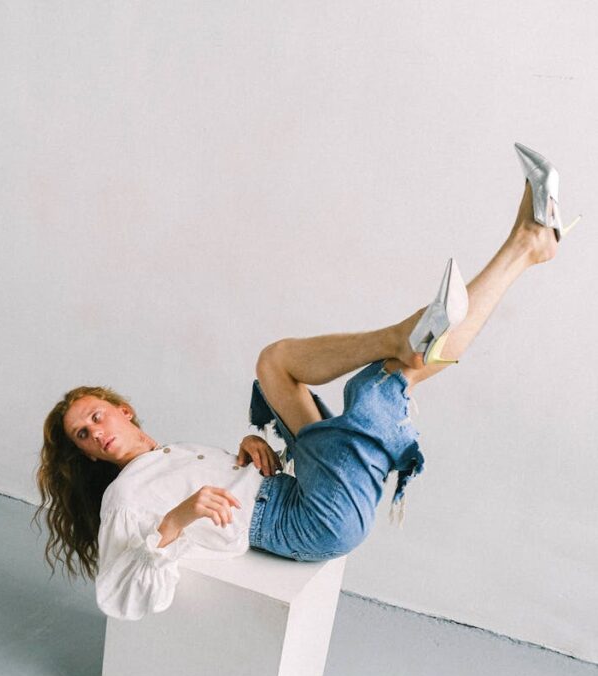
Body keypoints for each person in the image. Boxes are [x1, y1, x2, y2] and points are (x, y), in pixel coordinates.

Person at [33, 143, 580, 620]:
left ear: (123, 410)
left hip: (294, 489)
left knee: (276, 364)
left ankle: (520, 253)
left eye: (95, 416)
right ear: (89, 456)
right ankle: (505, 262)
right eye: (83, 435)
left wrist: (250, 451)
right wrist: (181, 515)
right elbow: (122, 591)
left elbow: (225, 492)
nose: (95, 432)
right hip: (309, 519)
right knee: (377, 386)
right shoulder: (124, 495)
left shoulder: (170, 455)